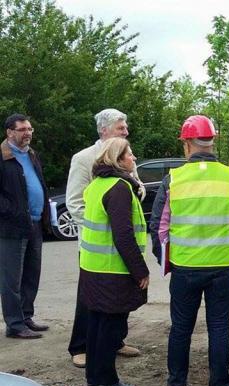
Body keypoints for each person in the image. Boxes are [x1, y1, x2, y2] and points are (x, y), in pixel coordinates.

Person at [149, 115, 229, 386]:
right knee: (219, 326)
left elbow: (159, 228)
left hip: (185, 268)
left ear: (186, 144)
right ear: (212, 141)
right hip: (223, 267)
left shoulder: (174, 179)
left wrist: (165, 261)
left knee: (180, 328)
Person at [66, 109, 142, 368]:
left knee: (120, 297)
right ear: (104, 130)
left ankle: (115, 341)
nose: (126, 131)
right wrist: (103, 225)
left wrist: (137, 192)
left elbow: (136, 188)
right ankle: (80, 346)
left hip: (121, 246)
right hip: (97, 248)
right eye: (121, 128)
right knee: (90, 299)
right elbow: (75, 203)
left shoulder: (123, 155)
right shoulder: (84, 158)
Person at [79, 138, 149, 386]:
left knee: (97, 323)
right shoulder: (119, 188)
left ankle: (94, 376)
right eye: (129, 154)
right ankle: (107, 381)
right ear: (118, 161)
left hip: (92, 268)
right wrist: (140, 271)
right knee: (111, 327)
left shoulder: (97, 185)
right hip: (112, 271)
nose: (133, 158)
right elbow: (123, 235)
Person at [0, 114, 50, 339]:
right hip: (11, 226)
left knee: (32, 273)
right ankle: (14, 324)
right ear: (10, 132)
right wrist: (13, 211)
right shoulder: (3, 157)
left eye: (30, 129)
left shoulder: (31, 154)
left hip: (35, 223)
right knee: (12, 279)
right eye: (22, 129)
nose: (28, 133)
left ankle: (26, 316)